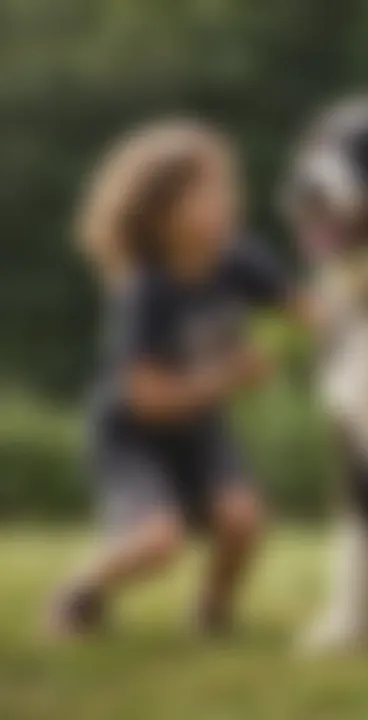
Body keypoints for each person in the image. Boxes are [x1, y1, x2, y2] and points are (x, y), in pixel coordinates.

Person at [49, 119, 305, 636]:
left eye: (229, 188)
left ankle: (212, 614)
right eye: (209, 192)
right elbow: (145, 399)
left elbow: (312, 311)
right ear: (161, 212)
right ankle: (80, 592)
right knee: (158, 540)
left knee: (242, 520)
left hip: (198, 426)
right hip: (133, 434)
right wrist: (228, 377)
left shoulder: (240, 259)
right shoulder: (147, 292)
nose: (229, 202)